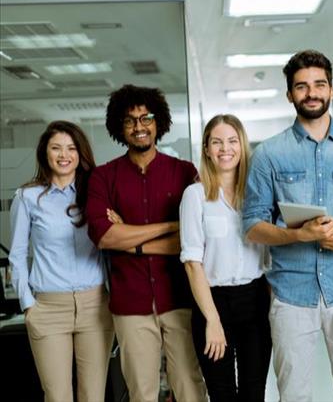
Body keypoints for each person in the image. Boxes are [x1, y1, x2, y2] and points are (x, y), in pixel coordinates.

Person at [242, 49, 333, 402]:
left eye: (319, 84)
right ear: (290, 94)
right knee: (293, 395)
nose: (312, 93)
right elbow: (252, 224)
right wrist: (297, 235)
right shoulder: (269, 154)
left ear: (332, 90)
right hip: (291, 294)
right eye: (302, 86)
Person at [86, 84, 206, 402]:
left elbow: (193, 238)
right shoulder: (103, 177)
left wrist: (132, 237)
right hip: (131, 306)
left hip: (179, 298)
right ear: (119, 127)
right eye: (130, 120)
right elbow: (104, 236)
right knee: (141, 392)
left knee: (191, 388)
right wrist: (170, 227)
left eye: (146, 118)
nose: (139, 126)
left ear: (158, 122)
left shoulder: (184, 173)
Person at [9, 121, 114, 402]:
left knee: (93, 396)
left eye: (71, 148)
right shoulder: (27, 197)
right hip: (48, 308)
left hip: (95, 306)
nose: (64, 154)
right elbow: (17, 254)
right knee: (58, 396)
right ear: (45, 152)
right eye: (56, 148)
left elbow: (110, 243)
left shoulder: (95, 194)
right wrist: (28, 304)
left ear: (80, 154)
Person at [180, 114, 271, 401]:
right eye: (217, 142)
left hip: (255, 300)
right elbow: (193, 265)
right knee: (222, 395)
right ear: (206, 149)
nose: (225, 149)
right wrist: (213, 320)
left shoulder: (258, 196)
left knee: (254, 393)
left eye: (232, 141)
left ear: (242, 146)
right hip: (213, 301)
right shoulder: (195, 196)